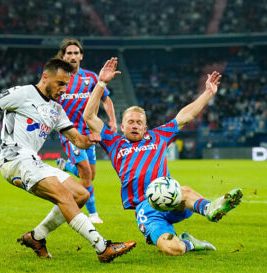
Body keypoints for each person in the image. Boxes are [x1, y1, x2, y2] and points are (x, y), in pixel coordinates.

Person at [0, 58, 135, 263]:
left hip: (32, 159)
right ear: (45, 77)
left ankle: (37, 237)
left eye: (66, 84)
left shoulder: (56, 109)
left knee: (81, 194)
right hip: (14, 158)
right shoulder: (22, 93)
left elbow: (77, 140)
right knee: (64, 194)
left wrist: (89, 140)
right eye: (60, 83)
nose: (63, 89)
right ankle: (102, 247)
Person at [83, 58, 242, 256]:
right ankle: (190, 243)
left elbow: (185, 116)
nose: (134, 125)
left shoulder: (157, 136)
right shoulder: (113, 142)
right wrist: (101, 83)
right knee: (172, 249)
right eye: (130, 122)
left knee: (182, 190)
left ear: (145, 127)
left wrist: (208, 93)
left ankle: (211, 208)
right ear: (122, 127)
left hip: (170, 196)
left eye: (139, 122)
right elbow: (89, 117)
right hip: (145, 208)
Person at [55, 38, 118, 224]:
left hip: (90, 133)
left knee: (91, 174)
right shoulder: (58, 78)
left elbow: (106, 99)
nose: (73, 56)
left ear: (81, 56)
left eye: (76, 53)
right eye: (69, 53)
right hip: (70, 133)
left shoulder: (91, 78)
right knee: (86, 174)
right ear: (63, 56)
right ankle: (92, 214)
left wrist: (112, 120)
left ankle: (65, 166)